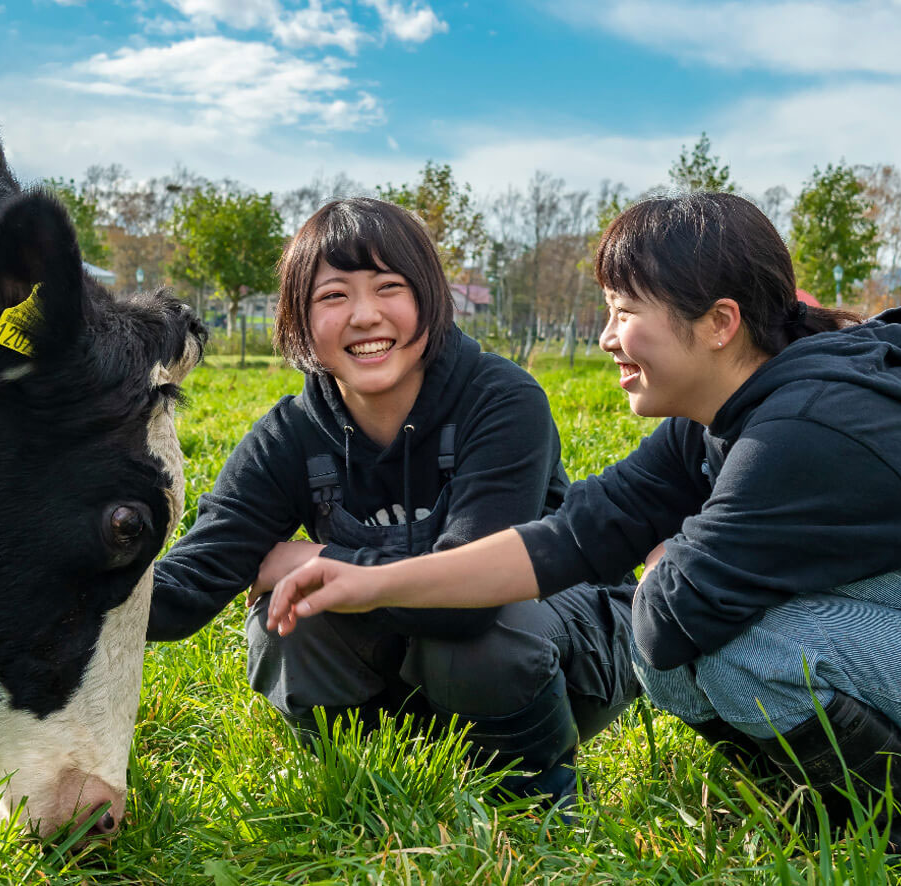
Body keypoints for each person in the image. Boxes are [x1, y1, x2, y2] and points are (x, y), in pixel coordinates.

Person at [267, 193, 901, 856]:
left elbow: (669, 613)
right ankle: (831, 811)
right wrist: (372, 581)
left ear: (718, 324)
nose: (607, 337)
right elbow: (573, 537)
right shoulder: (716, 416)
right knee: (677, 658)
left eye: (623, 311)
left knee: (731, 644)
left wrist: (666, 560)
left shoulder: (803, 430)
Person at [148, 197, 640, 806]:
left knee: (482, 632)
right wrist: (46, 588)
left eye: (389, 287)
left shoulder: (502, 400)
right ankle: (372, 790)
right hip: (415, 663)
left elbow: (467, 598)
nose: (364, 315)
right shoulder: (289, 435)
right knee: (288, 618)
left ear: (429, 297)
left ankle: (535, 796)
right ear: (299, 321)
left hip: (560, 653)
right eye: (332, 296)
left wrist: (321, 558)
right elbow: (189, 583)